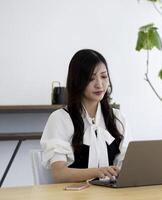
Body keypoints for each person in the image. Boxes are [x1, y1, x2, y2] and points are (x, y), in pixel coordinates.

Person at [40, 49, 129, 183]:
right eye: (91, 78)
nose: (99, 84)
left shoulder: (117, 117)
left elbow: (127, 163)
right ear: (77, 81)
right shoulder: (60, 118)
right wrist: (98, 172)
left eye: (104, 77)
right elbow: (59, 173)